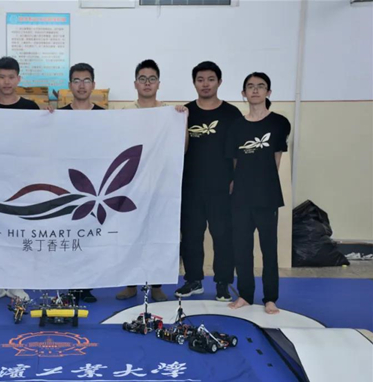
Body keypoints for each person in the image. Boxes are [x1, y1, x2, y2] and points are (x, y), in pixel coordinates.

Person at [116, 59, 188, 302]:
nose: (147, 83)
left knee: (159, 234)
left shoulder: (171, 113)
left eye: (152, 79)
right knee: (130, 234)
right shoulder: (125, 113)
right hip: (132, 184)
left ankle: (156, 284)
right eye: (142, 79)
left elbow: (182, 148)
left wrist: (182, 122)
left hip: (161, 184)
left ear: (159, 83)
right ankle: (130, 283)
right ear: (135, 83)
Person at [175, 61, 242, 302]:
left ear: (219, 82)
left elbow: (239, 151)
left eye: (210, 79)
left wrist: (236, 179)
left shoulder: (231, 114)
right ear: (194, 83)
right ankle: (193, 280)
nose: (205, 84)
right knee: (191, 236)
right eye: (200, 79)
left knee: (223, 236)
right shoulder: (184, 112)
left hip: (222, 186)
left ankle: (223, 283)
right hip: (190, 186)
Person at [225, 72, 290, 315]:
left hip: (267, 195)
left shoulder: (279, 123)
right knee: (242, 248)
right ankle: (245, 295)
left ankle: (270, 298)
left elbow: (276, 158)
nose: (255, 90)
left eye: (261, 86)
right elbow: (235, 162)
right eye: (250, 86)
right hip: (241, 195)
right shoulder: (236, 126)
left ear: (268, 92)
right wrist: (238, 185)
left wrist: (266, 185)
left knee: (269, 249)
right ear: (243, 93)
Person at [0, 56, 39, 303]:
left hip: (23, 180)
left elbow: (42, 139)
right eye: (2, 77)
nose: (6, 81)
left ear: (18, 79)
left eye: (11, 77)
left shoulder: (31, 108)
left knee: (19, 230)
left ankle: (16, 282)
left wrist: (51, 118)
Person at [58, 62, 103, 303]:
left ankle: (86, 286)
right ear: (70, 85)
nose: (82, 85)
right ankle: (69, 284)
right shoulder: (59, 115)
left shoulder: (106, 117)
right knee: (69, 235)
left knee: (90, 236)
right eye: (76, 81)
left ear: (93, 85)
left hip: (95, 186)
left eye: (86, 80)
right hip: (66, 184)